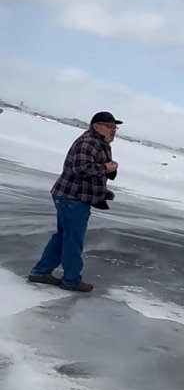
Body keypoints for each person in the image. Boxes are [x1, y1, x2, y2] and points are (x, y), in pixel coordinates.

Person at [27, 111, 122, 293]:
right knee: (72, 239)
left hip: (75, 196)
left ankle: (41, 272)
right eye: (110, 126)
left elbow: (94, 169)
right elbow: (81, 168)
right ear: (96, 126)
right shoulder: (88, 142)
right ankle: (71, 280)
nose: (113, 130)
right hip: (72, 197)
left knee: (64, 236)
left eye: (115, 127)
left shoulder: (100, 143)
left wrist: (108, 171)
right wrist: (105, 167)